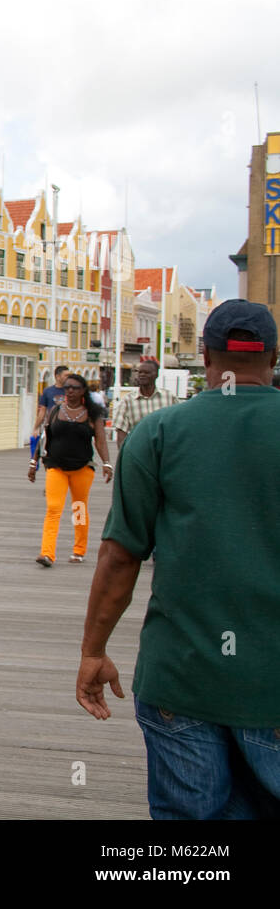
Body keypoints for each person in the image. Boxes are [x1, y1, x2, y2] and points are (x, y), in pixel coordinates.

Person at [76, 300, 280, 819]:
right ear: (274, 356)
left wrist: (94, 652)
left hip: (182, 680)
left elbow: (120, 558)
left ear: (206, 357)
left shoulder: (159, 434)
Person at [28, 372, 112, 566]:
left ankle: (79, 550)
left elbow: (100, 441)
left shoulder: (92, 414)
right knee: (53, 508)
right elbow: (45, 438)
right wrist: (34, 463)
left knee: (79, 508)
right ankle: (47, 553)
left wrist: (107, 463)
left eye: (74, 388)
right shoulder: (56, 410)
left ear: (83, 390)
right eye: (67, 388)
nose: (70, 391)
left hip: (82, 468)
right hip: (56, 466)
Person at [110, 359, 177, 450]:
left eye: (147, 373)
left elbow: (179, 425)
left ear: (156, 375)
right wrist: (124, 457)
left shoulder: (169, 397)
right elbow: (121, 433)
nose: (142, 375)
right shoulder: (128, 400)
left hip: (165, 452)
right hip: (139, 452)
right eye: (140, 372)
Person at [30, 365, 70, 454]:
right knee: (48, 451)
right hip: (52, 426)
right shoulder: (48, 391)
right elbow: (42, 411)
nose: (68, 378)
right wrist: (36, 428)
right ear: (57, 376)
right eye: (66, 375)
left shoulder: (71, 391)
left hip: (68, 427)